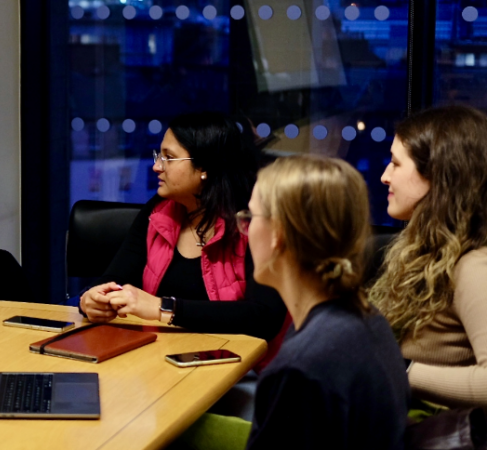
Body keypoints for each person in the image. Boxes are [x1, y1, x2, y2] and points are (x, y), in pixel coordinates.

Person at [79, 112, 287, 371]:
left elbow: (264, 317)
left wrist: (162, 308)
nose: (157, 166)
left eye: (169, 157)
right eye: (160, 155)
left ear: (204, 168)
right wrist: (91, 300)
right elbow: (112, 279)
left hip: (235, 370)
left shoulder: (251, 222)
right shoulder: (158, 211)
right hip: (160, 362)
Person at [240, 155, 409, 449]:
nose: (245, 229)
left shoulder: (300, 369)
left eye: (250, 217)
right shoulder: (363, 316)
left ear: (278, 233)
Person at [369, 105, 487, 446]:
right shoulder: (420, 249)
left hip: (432, 430)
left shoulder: (472, 266)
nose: (384, 176)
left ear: (437, 174)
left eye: (395, 163)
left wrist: (401, 369)